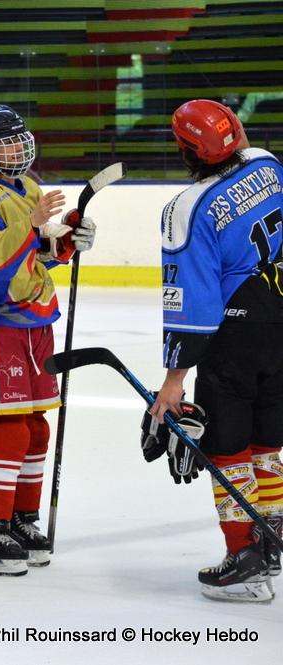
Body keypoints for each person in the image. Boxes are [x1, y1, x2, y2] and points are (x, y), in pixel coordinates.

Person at [148, 99, 282, 603]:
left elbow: (192, 300)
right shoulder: (268, 164)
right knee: (270, 438)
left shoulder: (188, 208)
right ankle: (271, 533)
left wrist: (174, 380)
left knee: (227, 448)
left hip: (237, 337)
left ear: (186, 150)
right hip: (281, 324)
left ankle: (245, 554)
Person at [0, 104, 96, 576]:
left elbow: (39, 257)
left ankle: (20, 518)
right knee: (9, 426)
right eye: (5, 143)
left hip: (36, 321)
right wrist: (32, 224)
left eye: (20, 139)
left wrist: (68, 239)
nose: (18, 149)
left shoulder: (30, 188)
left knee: (36, 427)